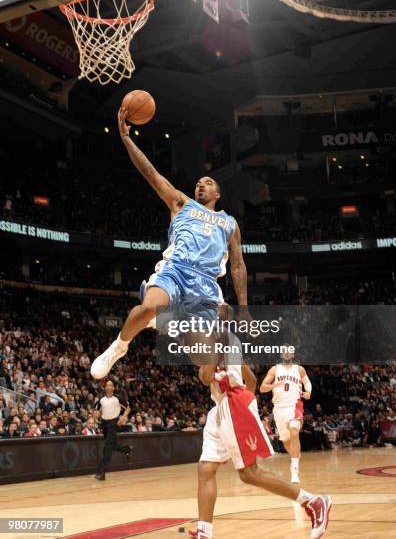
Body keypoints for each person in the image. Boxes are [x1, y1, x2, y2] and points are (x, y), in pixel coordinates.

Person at [91, 106, 249, 379]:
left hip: (205, 285)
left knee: (203, 358)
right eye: (199, 182)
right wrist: (127, 139)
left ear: (218, 192)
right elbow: (151, 174)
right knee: (148, 307)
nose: (201, 185)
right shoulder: (181, 202)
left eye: (208, 182)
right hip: (176, 271)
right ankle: (119, 346)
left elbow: (238, 266)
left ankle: (171, 321)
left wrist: (244, 307)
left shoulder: (230, 223)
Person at [190, 358, 331, 539]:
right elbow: (253, 381)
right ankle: (204, 533)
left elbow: (206, 376)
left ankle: (313, 501)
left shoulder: (215, 342)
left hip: (233, 403)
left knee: (249, 473)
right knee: (206, 468)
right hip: (221, 407)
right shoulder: (224, 346)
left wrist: (242, 404)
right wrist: (246, 400)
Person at [260, 348, 312, 484]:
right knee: (287, 442)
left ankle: (294, 470)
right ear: (281, 354)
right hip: (279, 409)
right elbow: (262, 387)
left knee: (294, 432)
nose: (287, 353)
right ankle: (296, 459)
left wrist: (308, 392)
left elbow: (307, 383)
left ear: (293, 354)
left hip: (294, 406)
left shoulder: (299, 369)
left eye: (289, 351)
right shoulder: (274, 370)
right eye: (284, 351)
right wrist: (274, 385)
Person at [94, 380, 132, 481]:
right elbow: (98, 411)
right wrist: (96, 415)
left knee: (107, 447)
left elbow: (128, 408)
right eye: (107, 385)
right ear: (105, 387)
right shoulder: (101, 400)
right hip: (104, 424)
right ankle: (126, 449)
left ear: (113, 388)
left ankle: (101, 472)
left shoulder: (118, 398)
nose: (109, 387)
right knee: (112, 445)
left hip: (114, 423)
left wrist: (123, 417)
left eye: (111, 385)